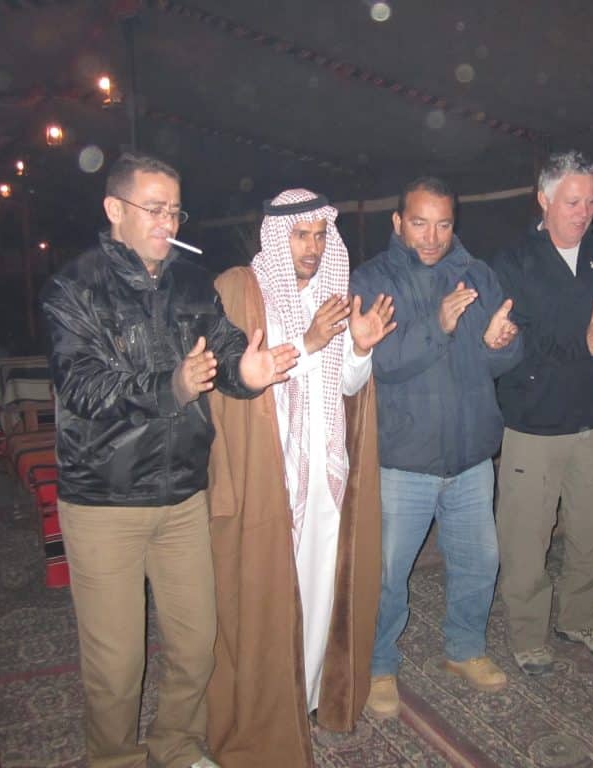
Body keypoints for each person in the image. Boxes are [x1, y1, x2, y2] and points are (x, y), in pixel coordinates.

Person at [41, 152, 297, 768]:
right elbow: (83, 386)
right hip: (105, 501)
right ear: (114, 210)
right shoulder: (73, 288)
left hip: (182, 495)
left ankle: (176, 747)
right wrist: (172, 388)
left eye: (175, 209)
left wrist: (247, 371)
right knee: (117, 662)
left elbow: (228, 350)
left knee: (196, 644)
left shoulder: (189, 282)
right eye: (153, 208)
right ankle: (115, 759)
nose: (167, 221)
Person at [205, 189, 395, 766]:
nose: (311, 248)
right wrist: (309, 343)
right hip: (273, 481)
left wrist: (358, 351)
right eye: (299, 235)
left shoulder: (334, 298)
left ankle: (308, 697)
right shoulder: (244, 292)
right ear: (275, 235)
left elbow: (343, 390)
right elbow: (245, 387)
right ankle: (261, 711)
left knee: (318, 595)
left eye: (319, 236)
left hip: (325, 478)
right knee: (267, 599)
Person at [350, 176, 522, 719]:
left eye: (443, 224)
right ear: (398, 222)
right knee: (387, 573)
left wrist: (500, 344)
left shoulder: (479, 274)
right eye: (419, 222)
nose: (432, 236)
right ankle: (379, 664)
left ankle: (464, 649)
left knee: (478, 562)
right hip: (404, 457)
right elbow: (379, 362)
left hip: (471, 452)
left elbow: (501, 362)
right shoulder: (373, 280)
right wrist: (440, 324)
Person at [490, 150, 593, 675]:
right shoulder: (512, 262)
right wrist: (587, 344)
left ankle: (581, 614)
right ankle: (528, 633)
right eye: (573, 201)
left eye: (592, 201)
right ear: (544, 200)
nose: (584, 212)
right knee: (525, 536)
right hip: (533, 422)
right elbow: (518, 341)